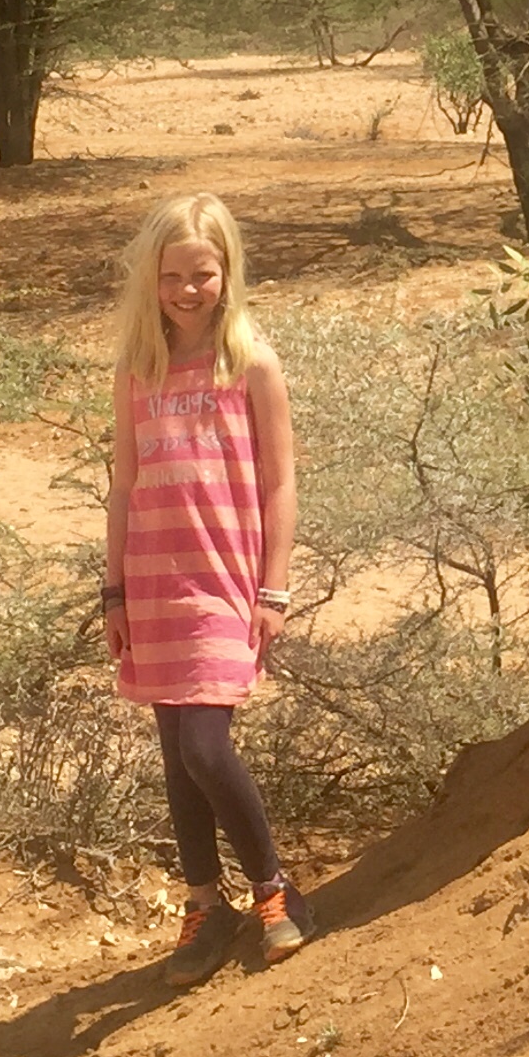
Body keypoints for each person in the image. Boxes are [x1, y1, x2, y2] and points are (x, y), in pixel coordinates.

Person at [104, 192, 306, 986]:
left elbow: (281, 483)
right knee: (176, 754)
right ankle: (204, 905)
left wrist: (274, 589)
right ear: (151, 281)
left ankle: (275, 891)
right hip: (153, 583)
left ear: (228, 273)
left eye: (203, 274)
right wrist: (114, 593)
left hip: (226, 582)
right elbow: (124, 488)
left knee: (204, 747)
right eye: (172, 277)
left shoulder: (251, 363)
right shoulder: (138, 370)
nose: (188, 291)